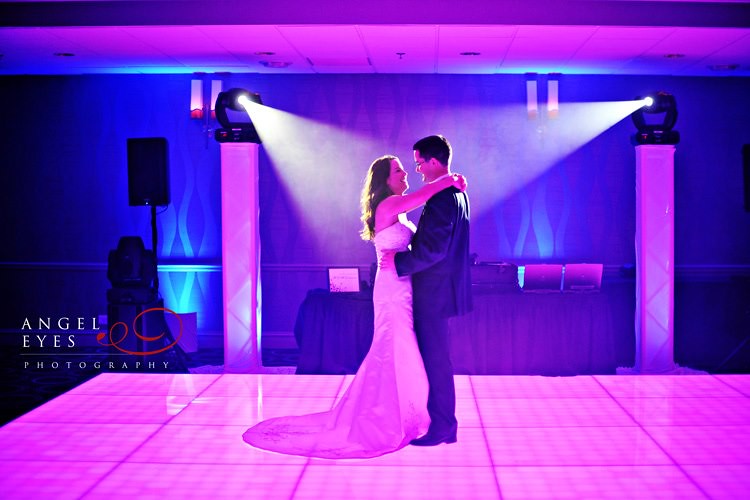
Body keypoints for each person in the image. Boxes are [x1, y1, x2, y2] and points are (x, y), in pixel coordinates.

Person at [242, 154, 466, 459]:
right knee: (394, 345)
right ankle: (386, 416)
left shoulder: (398, 212)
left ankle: (408, 413)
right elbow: (422, 195)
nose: (405, 174)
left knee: (404, 348)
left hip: (404, 286)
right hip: (391, 291)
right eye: (398, 171)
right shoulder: (388, 206)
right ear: (384, 180)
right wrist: (449, 181)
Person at [380, 135, 472, 446]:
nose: (417, 170)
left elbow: (433, 250)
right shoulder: (455, 192)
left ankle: (443, 426)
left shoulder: (445, 196)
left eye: (419, 163)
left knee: (436, 361)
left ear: (434, 161)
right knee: (437, 360)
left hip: (434, 293)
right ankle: (445, 424)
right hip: (440, 290)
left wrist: (399, 261)